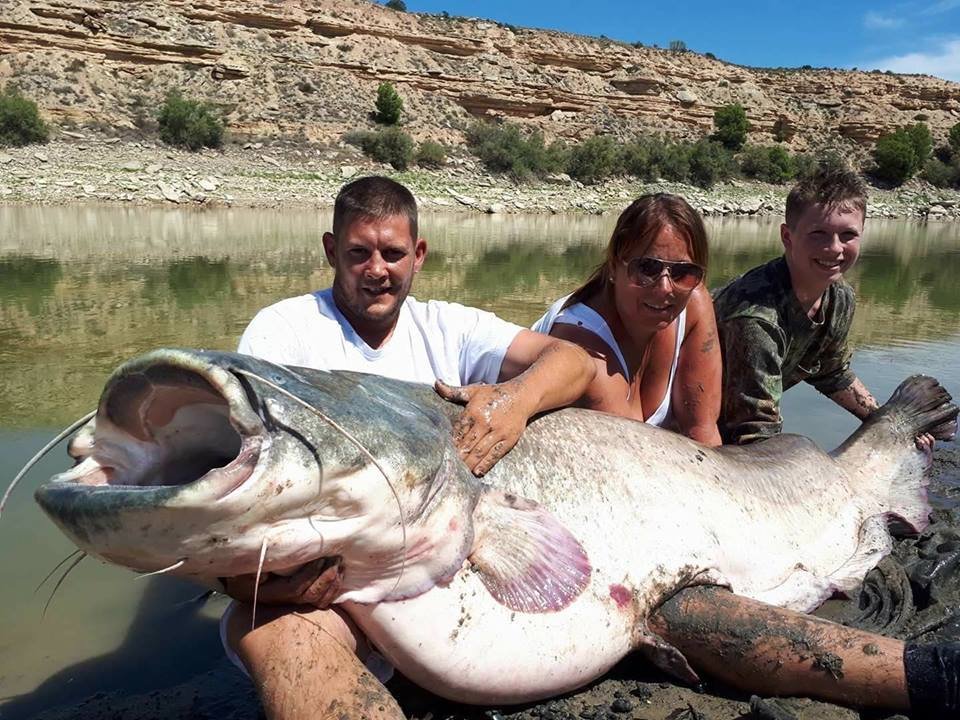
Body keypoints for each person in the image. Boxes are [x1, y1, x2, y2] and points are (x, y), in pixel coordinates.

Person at [227, 174, 596, 719]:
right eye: (358, 252)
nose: (377, 269)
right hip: (330, 587)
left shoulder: (449, 328)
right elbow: (251, 471)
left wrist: (514, 400)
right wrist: (253, 582)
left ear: (418, 254)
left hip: (441, 570)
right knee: (278, 634)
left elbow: (574, 362)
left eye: (393, 253)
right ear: (331, 250)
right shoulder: (283, 332)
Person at [712, 164, 931, 450]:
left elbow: (831, 372)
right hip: (693, 428)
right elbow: (753, 432)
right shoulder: (756, 317)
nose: (835, 248)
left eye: (848, 235)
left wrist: (888, 425)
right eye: (819, 234)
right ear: (788, 237)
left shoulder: (840, 298)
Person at [532, 193, 722, 446]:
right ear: (613, 267)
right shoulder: (585, 351)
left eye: (683, 272)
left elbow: (702, 431)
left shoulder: (694, 304)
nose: (666, 288)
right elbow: (631, 460)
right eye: (647, 268)